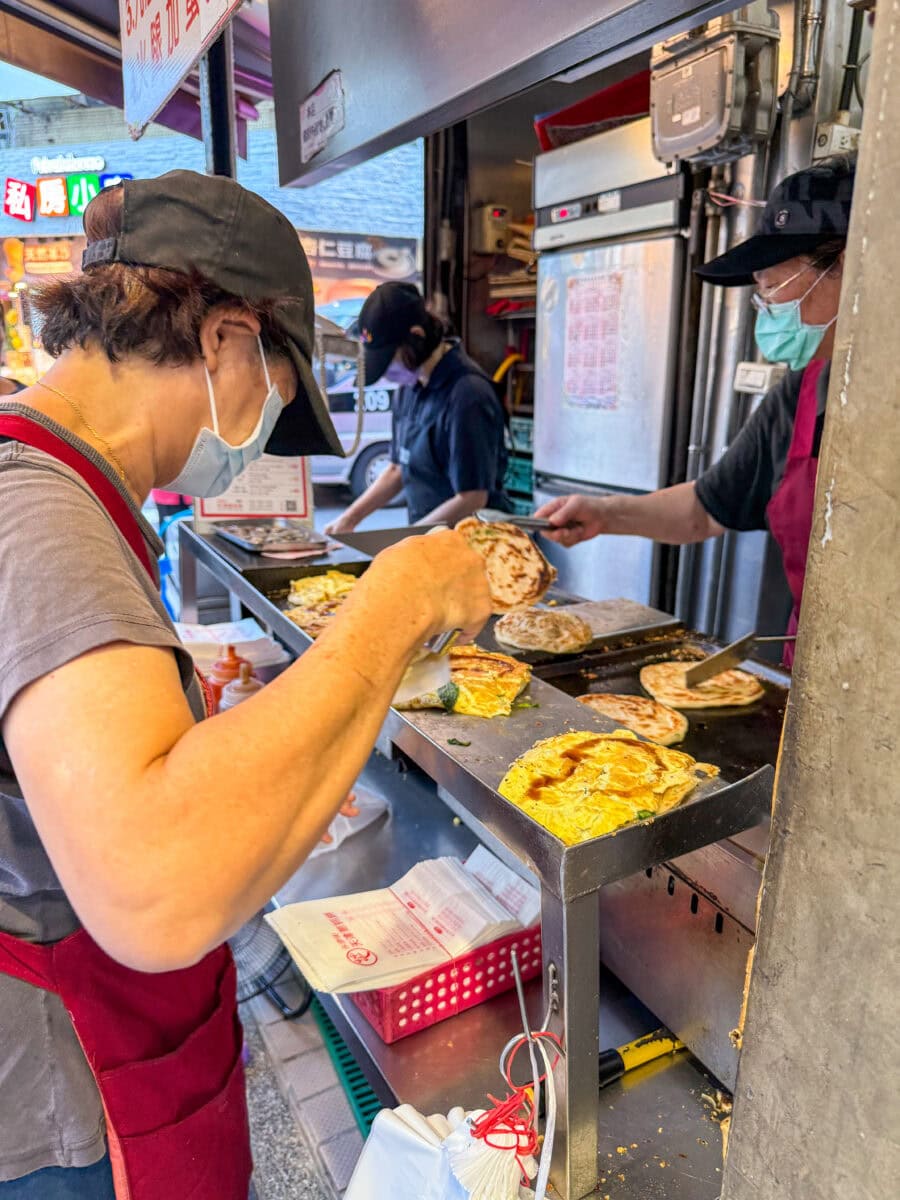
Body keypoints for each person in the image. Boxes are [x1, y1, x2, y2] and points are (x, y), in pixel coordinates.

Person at [0, 172, 490, 1197]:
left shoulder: (67, 487)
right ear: (223, 337)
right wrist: (396, 601)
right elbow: (154, 885)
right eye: (278, 384)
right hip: (66, 1105)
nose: (267, 426)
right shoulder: (41, 513)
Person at [537, 158, 854, 665]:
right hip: (815, 684)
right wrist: (603, 512)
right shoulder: (799, 397)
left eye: (772, 286)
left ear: (848, 266)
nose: (765, 304)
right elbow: (706, 509)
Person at [324, 282, 511, 534]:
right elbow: (397, 468)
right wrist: (348, 520)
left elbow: (472, 498)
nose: (386, 376)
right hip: (429, 541)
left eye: (389, 362)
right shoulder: (409, 388)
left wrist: (409, 543)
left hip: (471, 544)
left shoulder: (468, 395)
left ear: (417, 336)